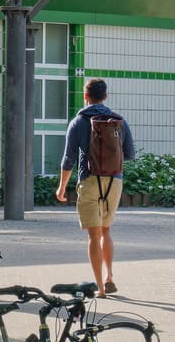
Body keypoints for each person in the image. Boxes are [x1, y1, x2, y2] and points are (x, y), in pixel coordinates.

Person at [54, 78, 135, 297]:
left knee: (93, 235)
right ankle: (109, 276)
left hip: (88, 180)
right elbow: (129, 154)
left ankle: (100, 288)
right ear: (105, 96)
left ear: (85, 96)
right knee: (106, 231)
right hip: (114, 181)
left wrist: (62, 187)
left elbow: (68, 159)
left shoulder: (79, 121)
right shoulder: (119, 120)